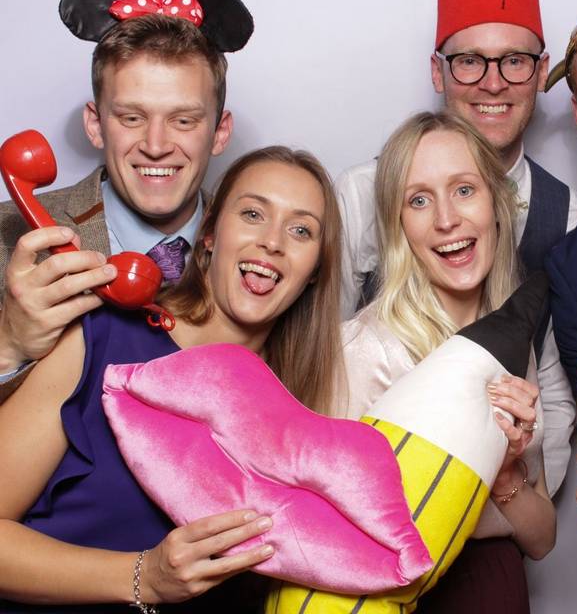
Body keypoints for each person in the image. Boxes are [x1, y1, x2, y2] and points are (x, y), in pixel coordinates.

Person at [0, 145, 343, 612]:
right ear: (208, 235)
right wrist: (144, 576)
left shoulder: (300, 414)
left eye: (301, 230)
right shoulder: (101, 337)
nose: (273, 242)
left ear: (314, 272)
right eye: (252, 214)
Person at [335, 0, 577, 499]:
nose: (492, 84)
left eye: (515, 61)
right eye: (470, 60)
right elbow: (326, 351)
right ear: (437, 70)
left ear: (541, 72)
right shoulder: (362, 192)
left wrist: (520, 501)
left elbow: (556, 389)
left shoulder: (571, 216)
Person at [340, 111, 556, 613]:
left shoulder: (511, 341)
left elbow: (542, 540)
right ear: (398, 225)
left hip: (502, 591)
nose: (445, 219)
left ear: (495, 203)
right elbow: (338, 543)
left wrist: (503, 474)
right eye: (418, 200)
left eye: (464, 190)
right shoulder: (362, 349)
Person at [0, 0, 253, 401]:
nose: (155, 146)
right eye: (131, 118)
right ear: (95, 125)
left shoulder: (257, 259)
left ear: (219, 132)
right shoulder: (8, 233)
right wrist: (8, 348)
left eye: (184, 120)